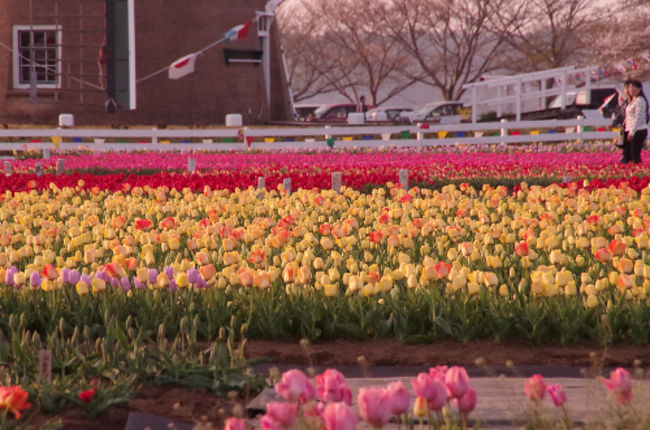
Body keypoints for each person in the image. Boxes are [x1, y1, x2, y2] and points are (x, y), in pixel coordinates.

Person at [623, 80, 649, 164]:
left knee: (635, 154)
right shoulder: (632, 101)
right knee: (629, 154)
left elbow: (638, 118)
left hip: (638, 130)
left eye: (632, 87)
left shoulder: (640, 101)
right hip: (630, 129)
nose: (630, 89)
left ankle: (638, 170)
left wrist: (632, 132)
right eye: (629, 87)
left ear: (639, 89)